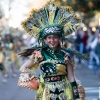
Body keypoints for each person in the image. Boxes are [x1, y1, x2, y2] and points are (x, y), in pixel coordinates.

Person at [18, 1, 88, 100]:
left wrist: (76, 96)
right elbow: (23, 68)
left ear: (59, 38)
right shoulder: (39, 54)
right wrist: (36, 80)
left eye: (55, 37)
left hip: (65, 92)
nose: (52, 40)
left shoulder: (65, 55)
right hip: (46, 93)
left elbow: (71, 77)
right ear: (45, 39)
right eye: (49, 38)